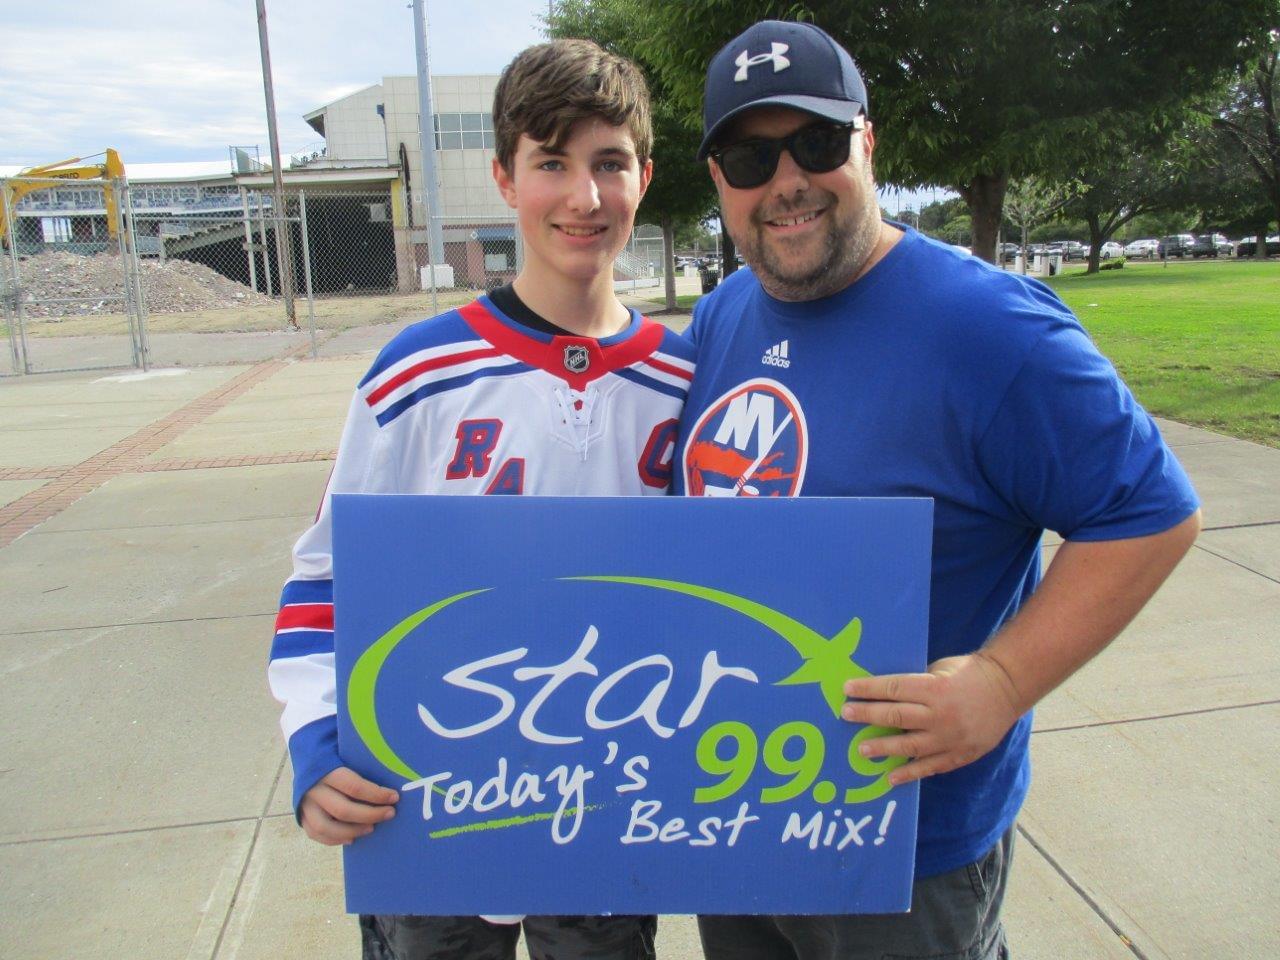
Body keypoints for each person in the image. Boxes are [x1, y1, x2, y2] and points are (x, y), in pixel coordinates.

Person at [676, 20, 1200, 960]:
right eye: (751, 156)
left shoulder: (990, 328)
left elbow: (1149, 514)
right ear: (719, 180)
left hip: (912, 846)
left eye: (818, 144)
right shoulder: (720, 318)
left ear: (867, 143)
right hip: (741, 812)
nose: (786, 179)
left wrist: (1001, 681)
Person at [268, 38, 693, 960]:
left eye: (609, 163)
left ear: (644, 177)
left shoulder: (683, 381)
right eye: (552, 163)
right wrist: (314, 738)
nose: (584, 197)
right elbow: (326, 576)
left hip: (607, 804)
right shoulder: (417, 373)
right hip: (432, 805)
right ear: (505, 178)